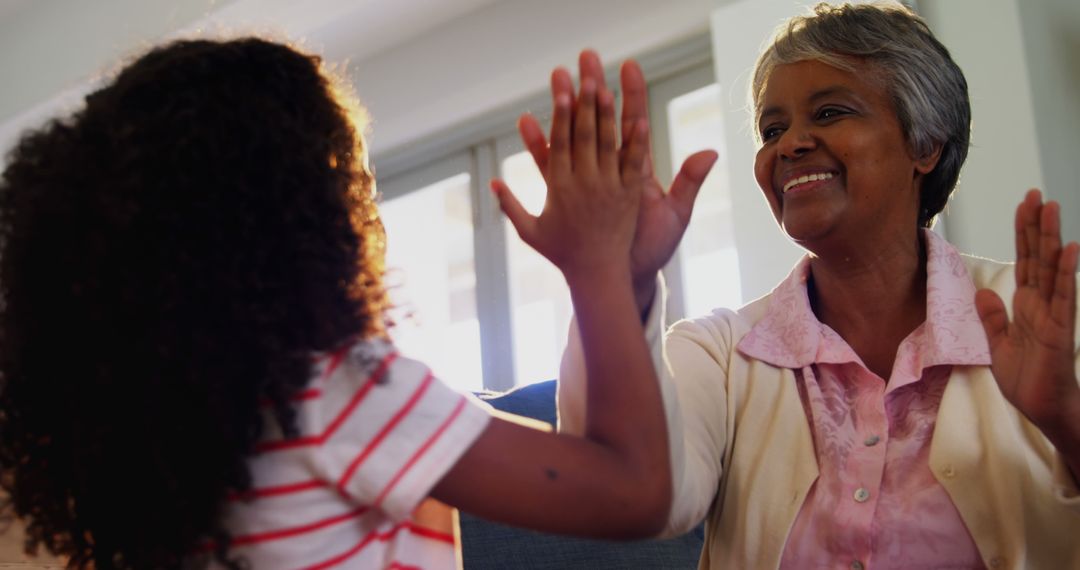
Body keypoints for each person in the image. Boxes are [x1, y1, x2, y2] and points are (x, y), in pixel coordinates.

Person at [0, 37, 686, 569]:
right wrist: (595, 264)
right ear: (302, 213)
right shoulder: (340, 394)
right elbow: (635, 492)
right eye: (353, 179)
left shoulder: (154, 437)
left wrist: (615, 283)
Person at [516, 3, 1080, 569]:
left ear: (924, 143)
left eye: (830, 112)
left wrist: (1062, 414)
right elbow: (631, 499)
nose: (790, 145)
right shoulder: (720, 355)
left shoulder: (1043, 320)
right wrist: (611, 282)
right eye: (773, 129)